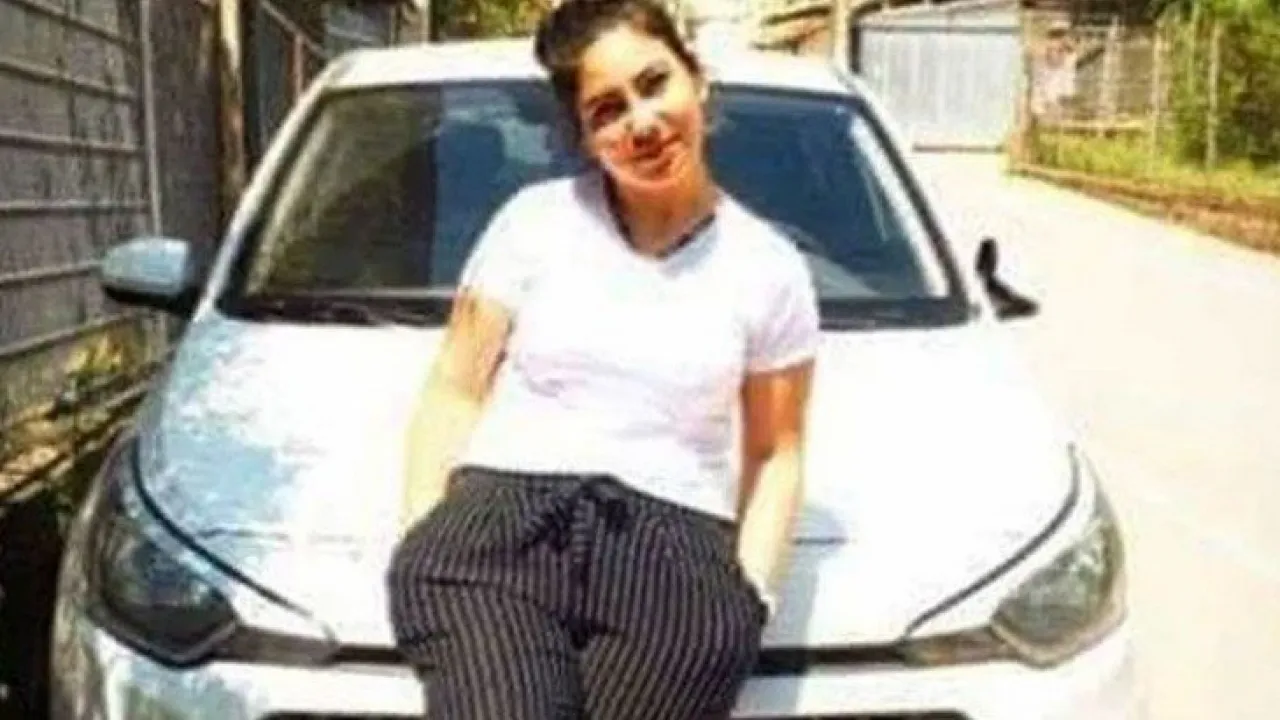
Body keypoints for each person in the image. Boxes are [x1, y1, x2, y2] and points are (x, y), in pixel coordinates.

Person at [385, 0, 820, 717]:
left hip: (676, 558)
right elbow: (456, 387)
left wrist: (750, 599)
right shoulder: (534, 221)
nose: (641, 123)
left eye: (654, 84)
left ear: (696, 78)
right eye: (607, 110)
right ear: (585, 136)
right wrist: (419, 531)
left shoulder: (769, 269)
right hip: (501, 532)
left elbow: (777, 452)